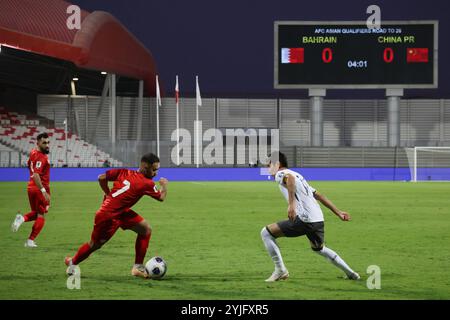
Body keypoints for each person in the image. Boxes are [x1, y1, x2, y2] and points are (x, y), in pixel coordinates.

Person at [261, 151, 360, 282]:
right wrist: (338, 212)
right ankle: (351, 273)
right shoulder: (298, 176)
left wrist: (291, 205)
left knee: (266, 233)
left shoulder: (281, 174)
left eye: (268, 165)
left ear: (277, 164)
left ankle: (280, 270)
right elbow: (318, 195)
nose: (267, 169)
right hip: (318, 219)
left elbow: (289, 179)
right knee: (319, 249)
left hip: (305, 219)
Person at [65, 153, 168, 279]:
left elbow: (102, 178)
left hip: (121, 211)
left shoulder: (123, 172)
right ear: (146, 167)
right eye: (154, 170)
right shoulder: (147, 183)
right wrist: (164, 185)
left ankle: (137, 267)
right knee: (94, 245)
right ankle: (72, 263)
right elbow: (161, 197)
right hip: (108, 216)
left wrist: (108, 193)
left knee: (145, 229)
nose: (156, 173)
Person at [11, 133, 51, 248]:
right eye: (44, 143)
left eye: (48, 142)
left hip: (32, 187)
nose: (47, 145)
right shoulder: (40, 156)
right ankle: (30, 241)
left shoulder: (33, 153)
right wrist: (43, 191)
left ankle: (21, 218)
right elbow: (36, 175)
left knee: (36, 213)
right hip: (38, 188)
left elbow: (29, 165)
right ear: (38, 143)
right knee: (41, 215)